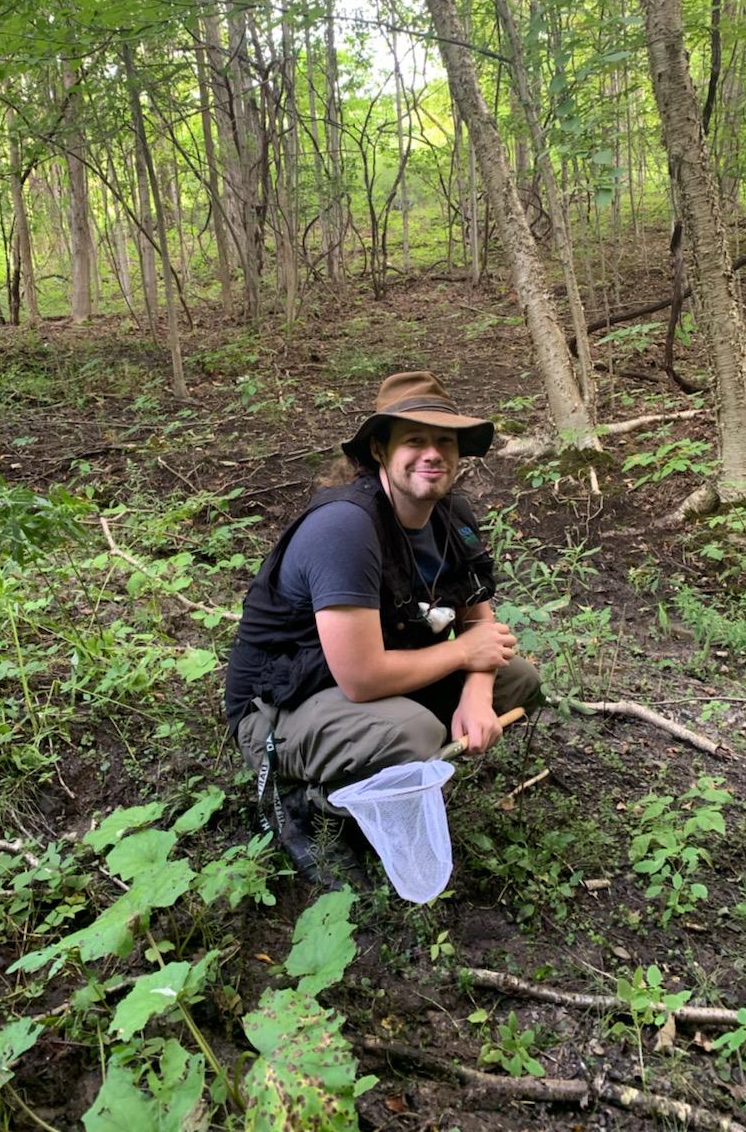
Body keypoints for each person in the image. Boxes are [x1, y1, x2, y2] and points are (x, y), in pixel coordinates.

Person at [224, 370, 542, 882]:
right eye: (414, 440)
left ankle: (386, 774)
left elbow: (483, 629)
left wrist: (478, 693)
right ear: (379, 451)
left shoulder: (450, 515)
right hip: (280, 705)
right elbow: (362, 677)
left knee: (516, 681)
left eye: (445, 441)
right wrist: (463, 655)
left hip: (361, 681)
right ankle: (308, 806)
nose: (433, 453)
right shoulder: (344, 528)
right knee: (413, 734)